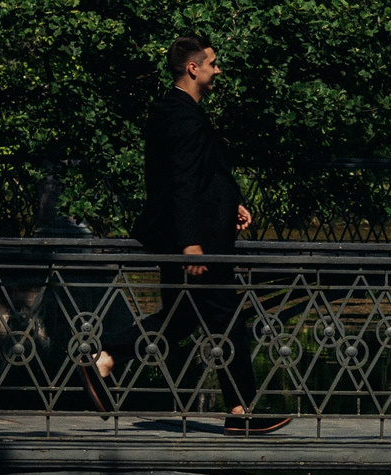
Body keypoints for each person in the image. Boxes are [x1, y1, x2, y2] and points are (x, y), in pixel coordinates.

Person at [77, 35, 291, 434]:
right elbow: (179, 182)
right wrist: (190, 243)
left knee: (180, 319)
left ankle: (104, 357)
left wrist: (233, 202)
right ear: (193, 68)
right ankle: (241, 412)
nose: (217, 69)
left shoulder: (174, 110)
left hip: (196, 235)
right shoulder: (183, 116)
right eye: (212, 63)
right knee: (227, 321)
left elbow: (201, 176)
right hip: (199, 243)